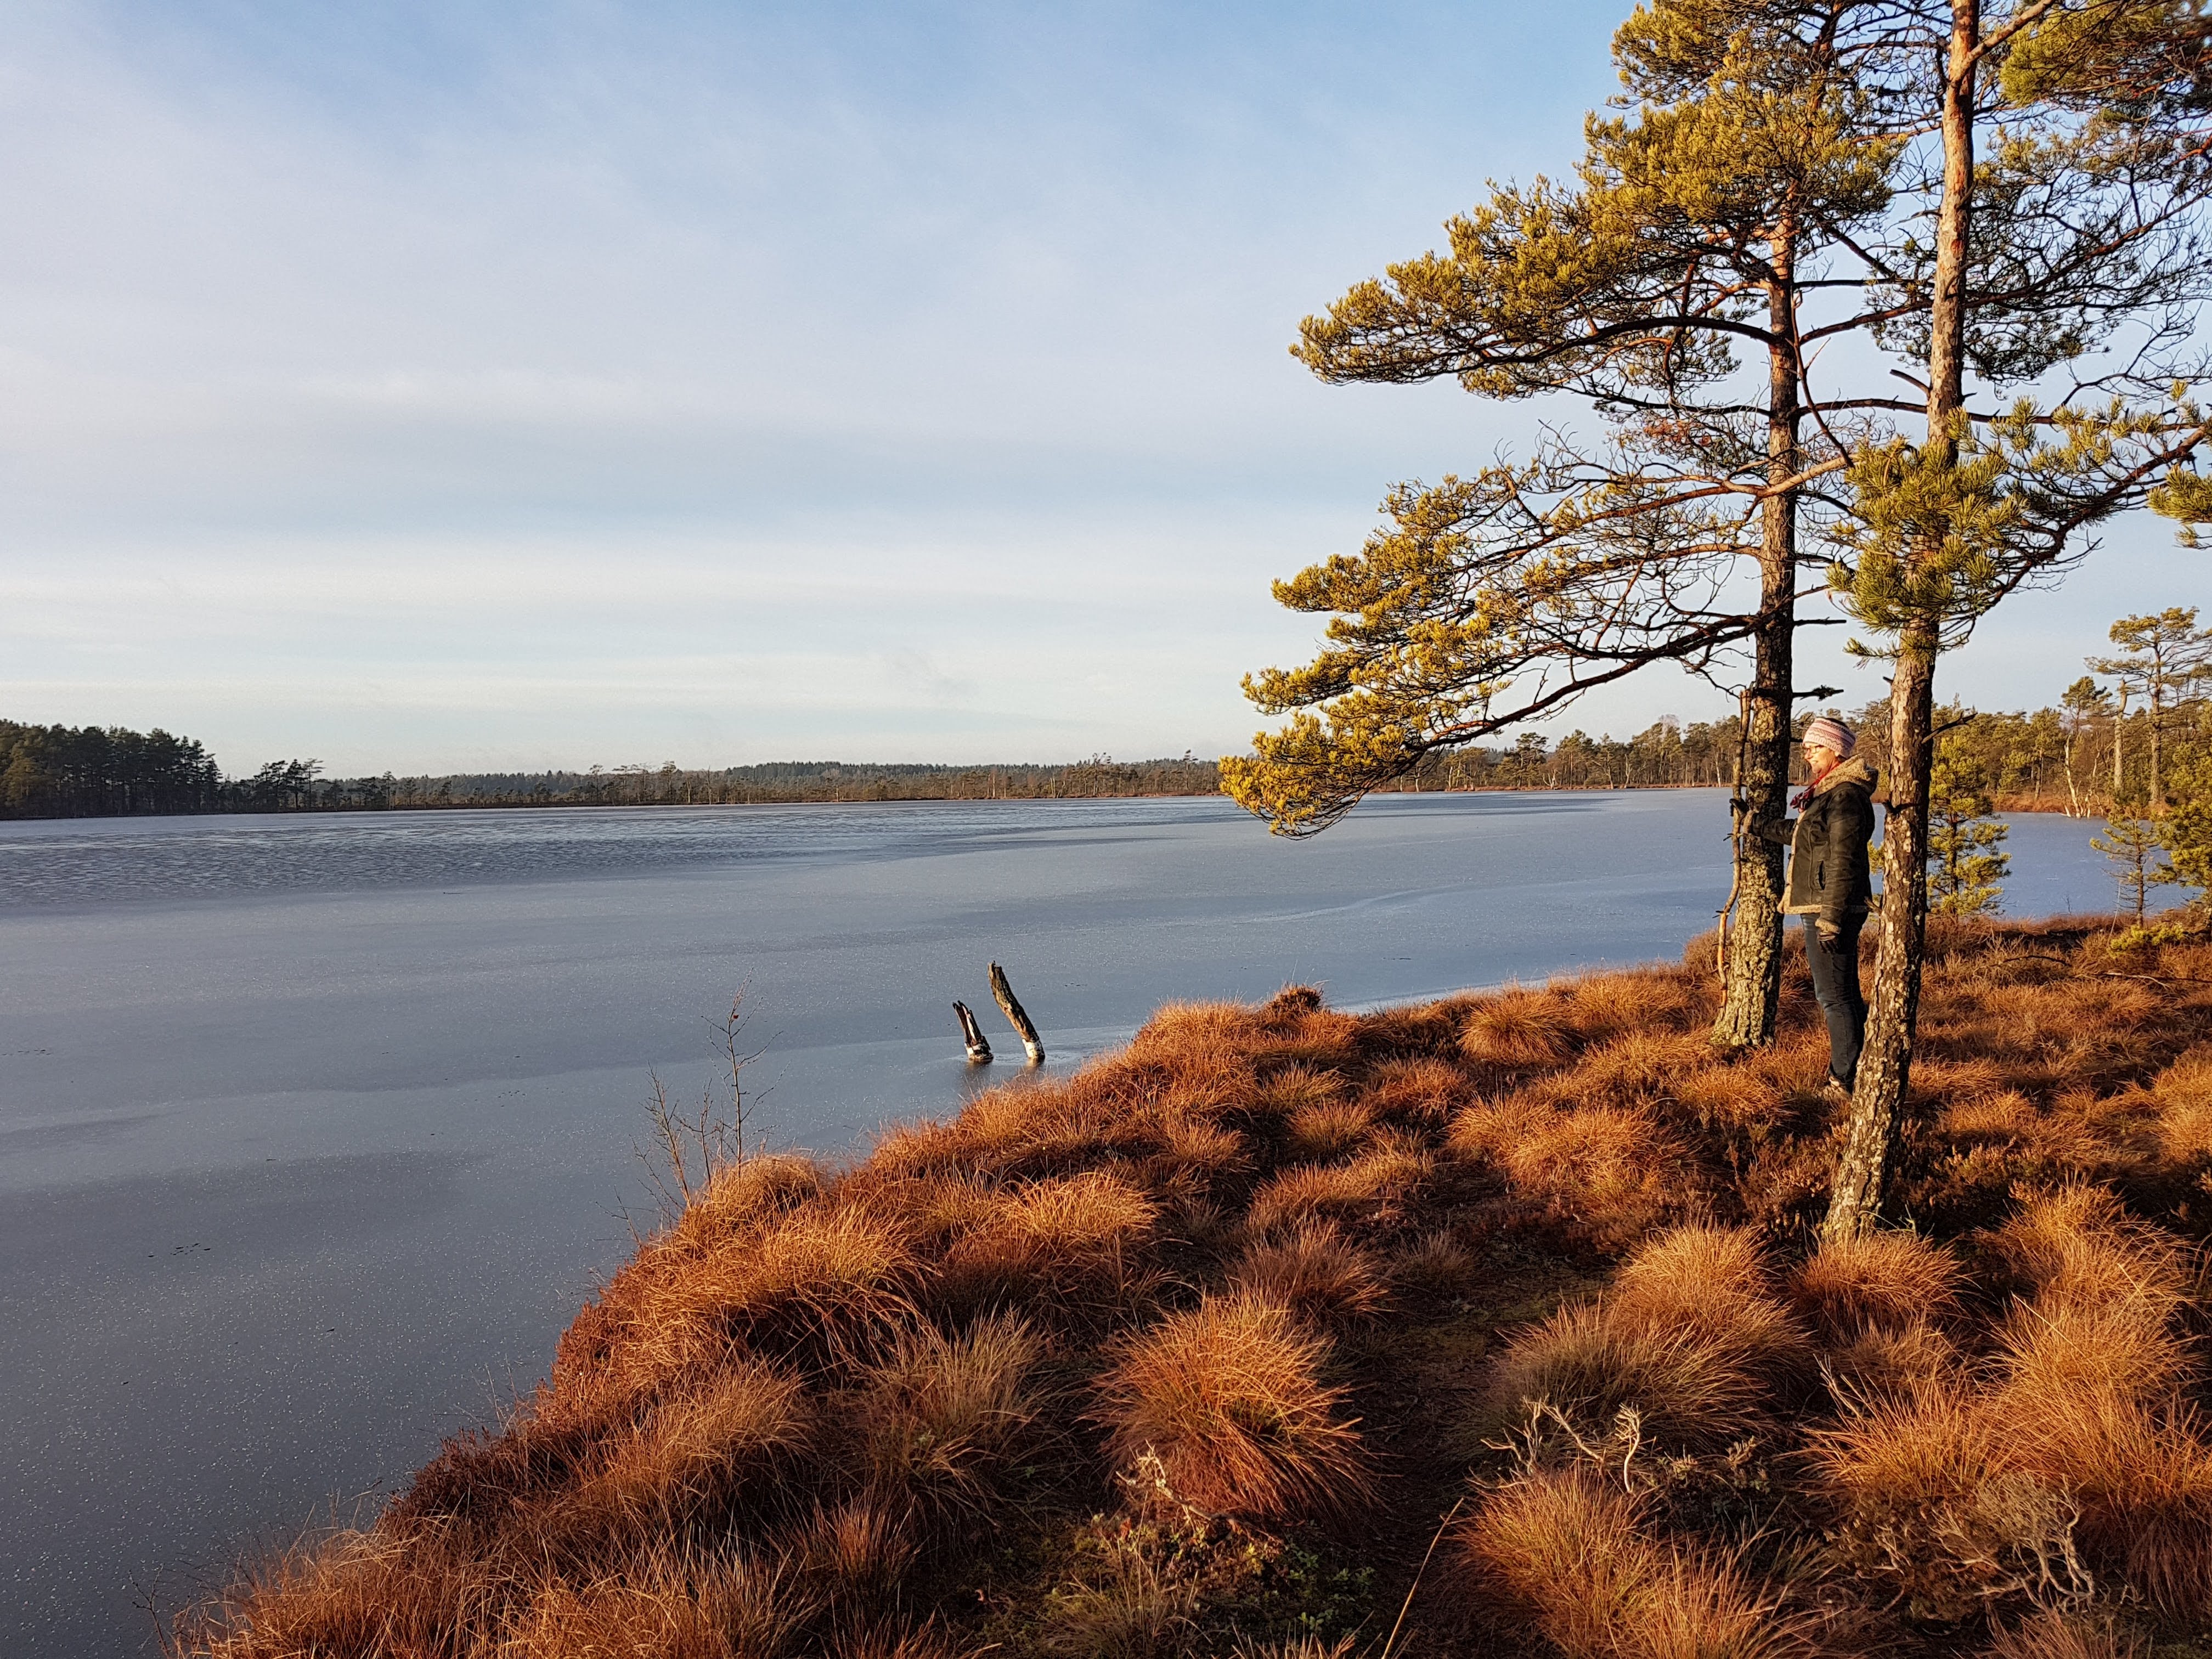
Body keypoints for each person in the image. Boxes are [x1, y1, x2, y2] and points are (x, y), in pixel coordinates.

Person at [1757, 716, 1879, 1093]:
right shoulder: (1829, 793)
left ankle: (1843, 1081)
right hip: (1829, 907)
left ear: (1837, 750)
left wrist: (1831, 919)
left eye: (1815, 747)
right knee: (1843, 994)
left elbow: (1843, 859)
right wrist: (1757, 825)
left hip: (1831, 909)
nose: (1807, 754)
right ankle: (1861, 1068)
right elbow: (1805, 836)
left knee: (1834, 997)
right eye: (1806, 748)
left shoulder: (1846, 795)